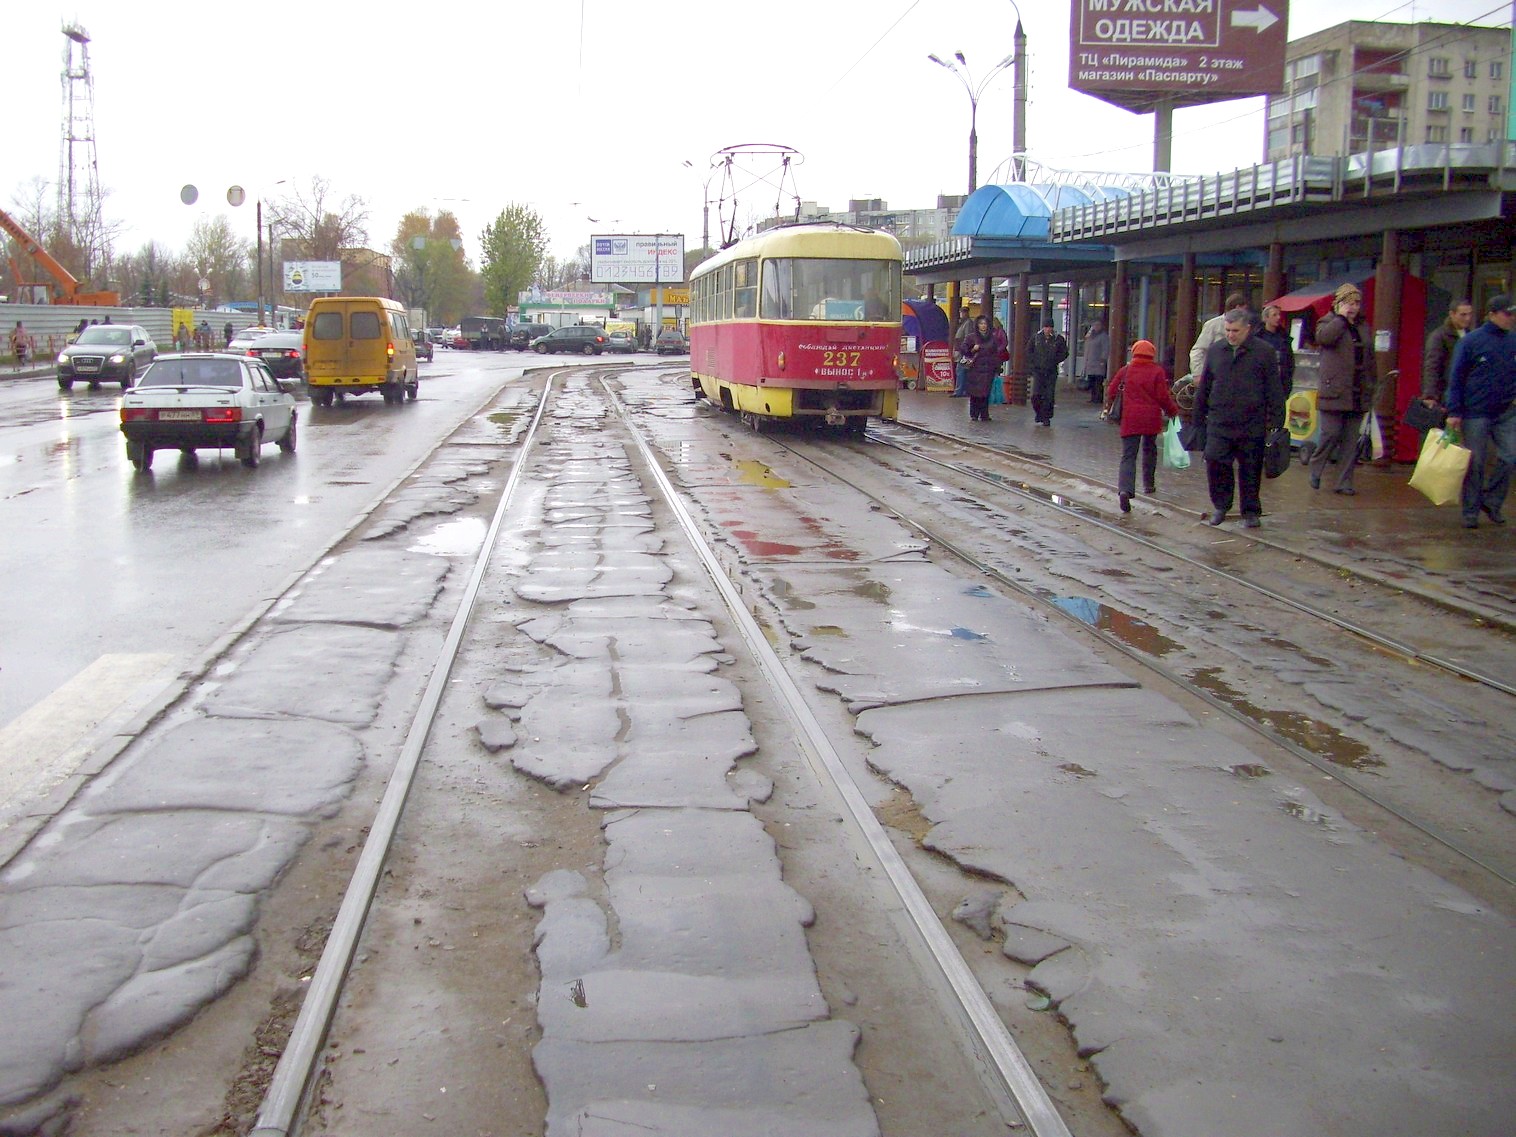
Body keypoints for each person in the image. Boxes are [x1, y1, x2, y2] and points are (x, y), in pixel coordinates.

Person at [1192, 307, 1284, 528]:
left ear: (1248, 329)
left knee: (1250, 467)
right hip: (1219, 420)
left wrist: (1277, 422)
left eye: (1235, 330)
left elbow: (1274, 388)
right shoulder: (1216, 351)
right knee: (1215, 461)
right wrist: (1198, 419)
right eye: (1227, 330)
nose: (1231, 335)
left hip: (1251, 421)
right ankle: (1221, 505)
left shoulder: (1264, 352)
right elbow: (1205, 387)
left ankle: (1250, 511)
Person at [1445, 293, 1516, 528]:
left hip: (1505, 411)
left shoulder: (1513, 340)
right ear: (1492, 315)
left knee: (1509, 456)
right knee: (1475, 462)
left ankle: (1492, 501)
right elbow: (1456, 378)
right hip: (1475, 411)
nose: (1512, 318)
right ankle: (1471, 510)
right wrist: (1454, 411)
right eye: (1508, 314)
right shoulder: (1471, 342)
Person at [1309, 283, 1377, 495]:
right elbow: (1324, 338)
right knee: (1331, 433)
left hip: (1357, 391)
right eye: (1348, 302)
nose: (1353, 307)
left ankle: (1344, 481)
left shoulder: (1363, 326)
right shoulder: (1328, 322)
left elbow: (1370, 356)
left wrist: (1372, 384)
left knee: (1350, 440)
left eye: (1356, 302)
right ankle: (1316, 465)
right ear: (1338, 303)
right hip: (1334, 390)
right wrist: (1340, 319)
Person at [1106, 339, 1181, 512]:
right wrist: (1173, 412)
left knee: (1128, 455)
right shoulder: (1157, 371)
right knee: (1150, 450)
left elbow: (1111, 391)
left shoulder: (1126, 370)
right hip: (1150, 418)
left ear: (1134, 353)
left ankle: (1125, 489)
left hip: (1130, 418)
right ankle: (1149, 484)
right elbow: (1163, 396)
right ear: (1152, 354)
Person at [1421, 299, 1474, 418]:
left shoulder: (1470, 335)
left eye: (1470, 314)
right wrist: (1430, 395)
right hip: (1444, 393)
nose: (1467, 318)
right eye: (1463, 315)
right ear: (1452, 314)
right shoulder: (1439, 336)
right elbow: (1432, 366)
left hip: (1464, 395)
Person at [1188, 291, 1250, 380]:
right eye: (1245, 309)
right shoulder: (1212, 325)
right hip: (1215, 373)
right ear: (1238, 308)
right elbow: (1198, 350)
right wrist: (1198, 374)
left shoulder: (1245, 326)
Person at [962, 315, 1007, 422]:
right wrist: (973, 349)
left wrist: (997, 367)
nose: (983, 326)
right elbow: (963, 349)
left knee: (985, 393)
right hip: (975, 369)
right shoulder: (971, 337)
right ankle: (974, 414)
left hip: (988, 369)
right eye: (981, 324)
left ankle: (984, 414)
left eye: (985, 324)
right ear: (977, 325)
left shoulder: (992, 338)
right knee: (975, 393)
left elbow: (996, 353)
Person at [1027, 317, 1069, 426]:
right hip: (1038, 371)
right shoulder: (1036, 338)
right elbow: (1028, 351)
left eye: (1050, 327)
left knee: (1049, 396)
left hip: (1051, 371)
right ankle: (1038, 413)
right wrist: (1033, 363)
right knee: (1036, 395)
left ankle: (1046, 417)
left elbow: (1064, 353)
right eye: (1046, 327)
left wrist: (1055, 360)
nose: (1048, 329)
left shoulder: (1058, 339)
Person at [1255, 304, 1295, 395]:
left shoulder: (1284, 337)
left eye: (1279, 314)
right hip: (1262, 384)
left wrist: (1288, 380)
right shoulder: (1258, 338)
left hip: (1281, 383)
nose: (1278, 317)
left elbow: (1290, 361)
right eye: (1274, 315)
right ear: (1266, 318)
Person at [1082, 320, 1110, 403]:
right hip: (1090, 363)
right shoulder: (1091, 336)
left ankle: (1098, 398)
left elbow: (1106, 348)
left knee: (1098, 381)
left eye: (1098, 325)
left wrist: (1103, 359)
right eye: (1094, 325)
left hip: (1098, 363)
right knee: (1092, 381)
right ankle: (1093, 397)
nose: (1096, 327)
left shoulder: (1104, 336)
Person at [951, 312, 975, 397]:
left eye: (962, 313)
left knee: (961, 370)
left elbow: (966, 338)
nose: (961, 314)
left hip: (963, 351)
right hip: (962, 350)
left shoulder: (967, 324)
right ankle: (962, 390)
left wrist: (964, 349)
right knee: (961, 370)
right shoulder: (964, 323)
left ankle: (960, 391)